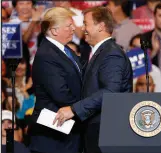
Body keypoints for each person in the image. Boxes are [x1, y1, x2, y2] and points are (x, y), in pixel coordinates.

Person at [54, 6, 133, 153]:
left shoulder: (111, 54)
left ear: (101, 26)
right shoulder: (100, 53)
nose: (82, 28)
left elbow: (110, 91)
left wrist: (74, 109)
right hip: (98, 129)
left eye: (86, 23)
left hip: (107, 131)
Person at [29, 7, 82, 153]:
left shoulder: (66, 50)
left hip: (67, 131)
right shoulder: (47, 55)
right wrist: (86, 107)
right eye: (69, 26)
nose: (73, 29)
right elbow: (61, 93)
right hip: (52, 136)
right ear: (54, 30)